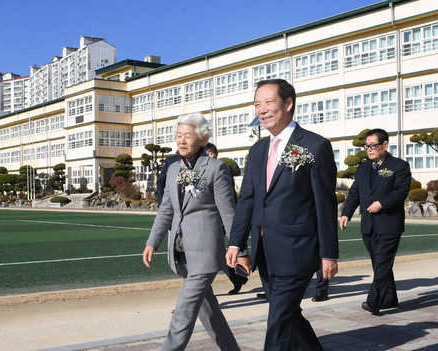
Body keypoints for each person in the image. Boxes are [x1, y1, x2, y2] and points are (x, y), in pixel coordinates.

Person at [226, 79, 339, 351]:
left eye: (268, 102)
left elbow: (325, 204)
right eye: (256, 104)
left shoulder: (314, 146)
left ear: (288, 103)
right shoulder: (257, 151)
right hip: (265, 251)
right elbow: (248, 201)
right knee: (287, 313)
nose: (262, 110)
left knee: (277, 321)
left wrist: (329, 254)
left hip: (298, 249)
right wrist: (236, 243)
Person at [143, 112, 240, 351]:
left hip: (205, 253)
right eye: (178, 136)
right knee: (209, 312)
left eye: (188, 135)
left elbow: (228, 213)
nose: (181, 141)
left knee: (183, 313)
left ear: (202, 138)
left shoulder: (216, 169)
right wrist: (152, 241)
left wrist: (240, 247)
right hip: (180, 252)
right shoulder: (173, 169)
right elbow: (166, 209)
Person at [340, 128, 411, 316]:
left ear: (385, 145)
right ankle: (390, 298)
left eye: (374, 145)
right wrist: (346, 213)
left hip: (389, 223)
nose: (370, 149)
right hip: (369, 224)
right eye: (367, 146)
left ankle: (374, 301)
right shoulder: (362, 168)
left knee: (382, 263)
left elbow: (401, 192)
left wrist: (382, 203)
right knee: (379, 263)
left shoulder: (399, 166)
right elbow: (355, 192)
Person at [204, 142, 249, 294]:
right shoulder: (202, 169)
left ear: (216, 154)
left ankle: (200, 291)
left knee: (212, 253)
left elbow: (229, 198)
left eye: (211, 153)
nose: (209, 156)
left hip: (223, 219)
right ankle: (237, 279)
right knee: (214, 253)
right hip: (210, 219)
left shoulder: (222, 169)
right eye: (207, 153)